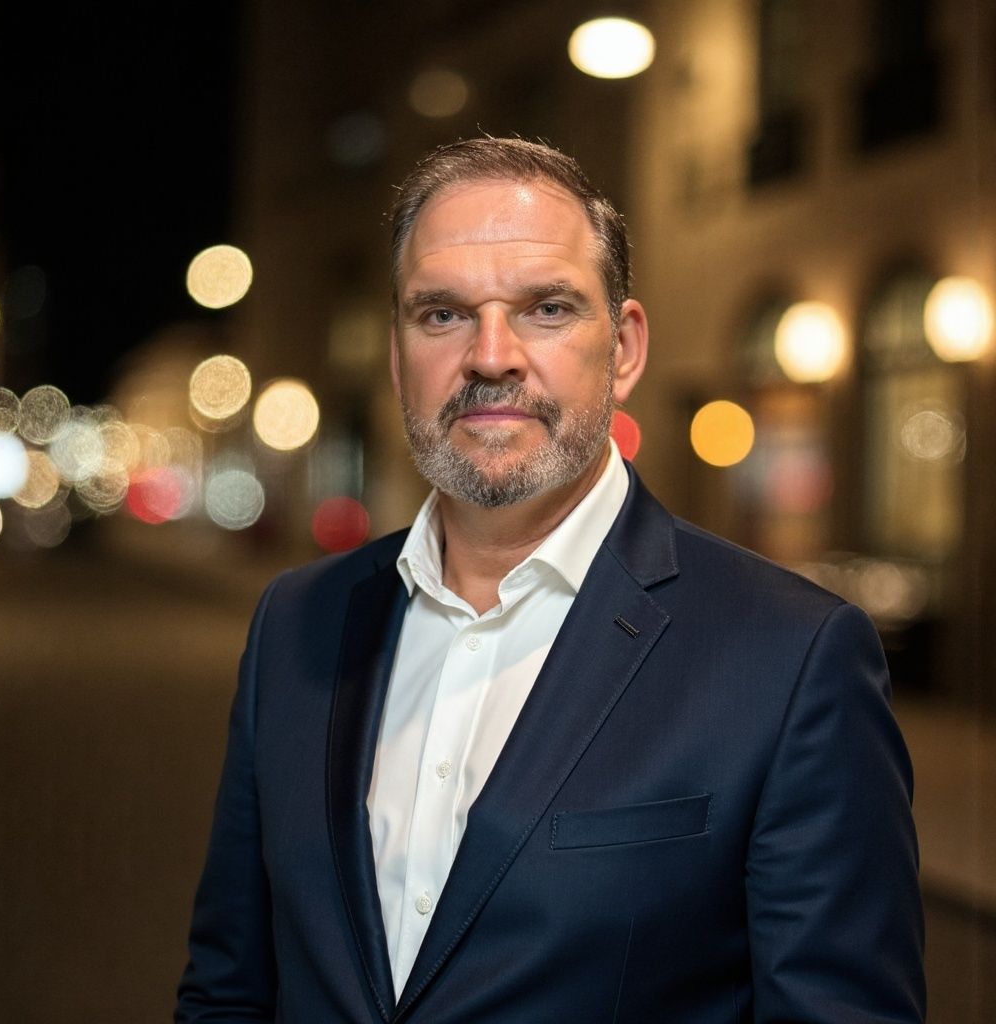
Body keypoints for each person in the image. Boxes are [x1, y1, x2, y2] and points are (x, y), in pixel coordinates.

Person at [176, 138, 925, 1023]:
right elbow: (230, 989)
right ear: (396, 352)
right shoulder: (295, 623)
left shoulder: (792, 658)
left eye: (546, 308)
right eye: (443, 315)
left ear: (626, 346)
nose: (492, 356)